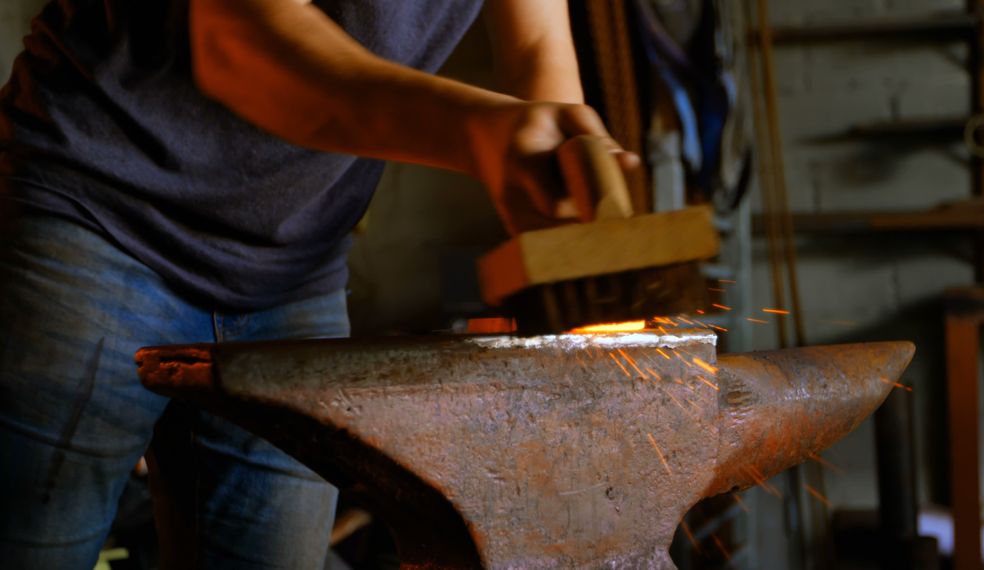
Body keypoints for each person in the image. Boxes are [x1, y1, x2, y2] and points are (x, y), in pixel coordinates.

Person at [0, 0, 636, 568]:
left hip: (294, 269)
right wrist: (480, 134)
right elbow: (241, 39)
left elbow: (535, 48)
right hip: (95, 214)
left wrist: (566, 179)